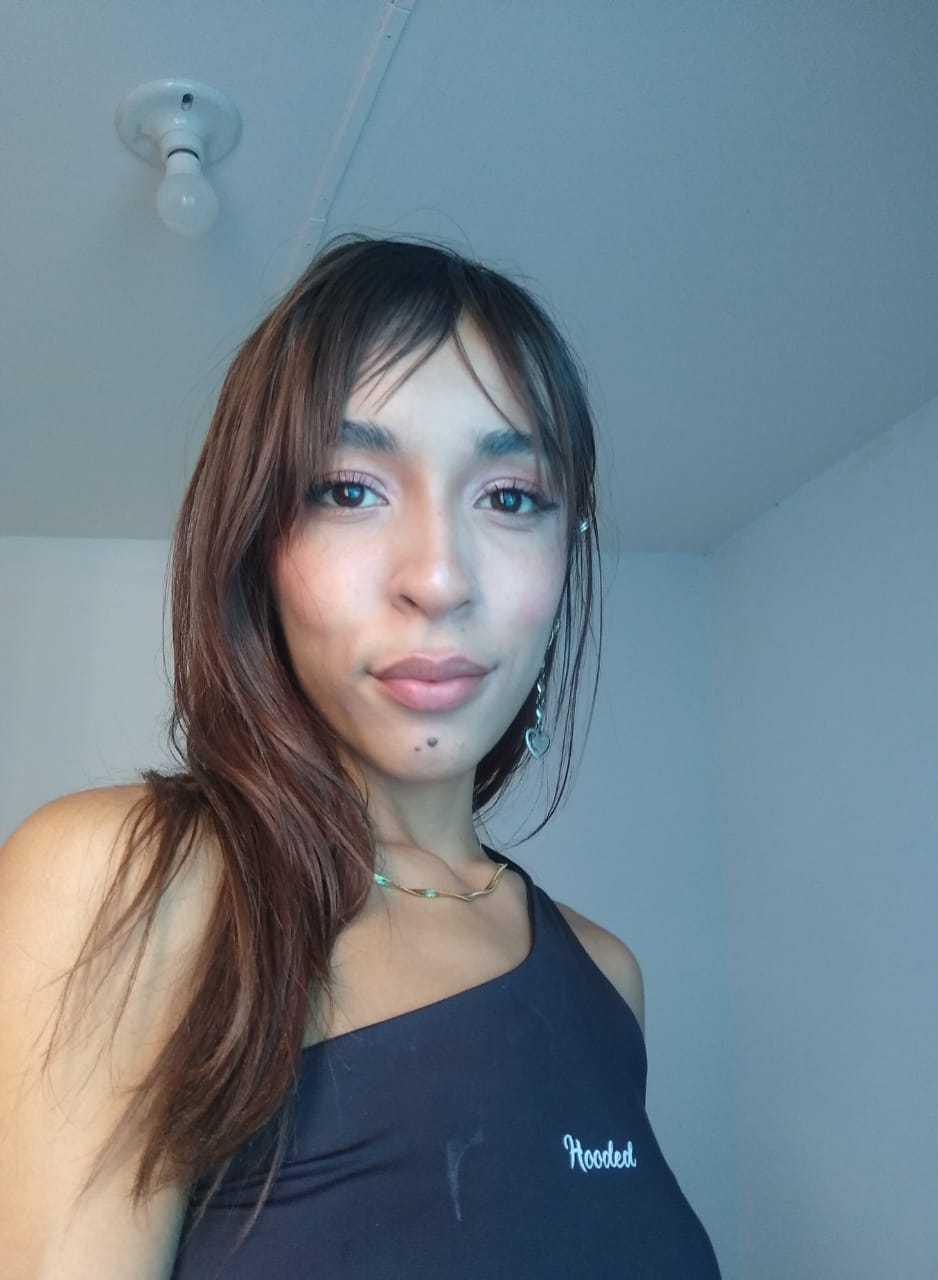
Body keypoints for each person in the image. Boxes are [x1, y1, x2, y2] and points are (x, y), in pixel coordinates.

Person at [0, 234, 722, 1278]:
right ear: (256, 539)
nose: (438, 578)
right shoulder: (128, 882)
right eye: (347, 489)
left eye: (509, 496)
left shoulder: (609, 978)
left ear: (566, 550)